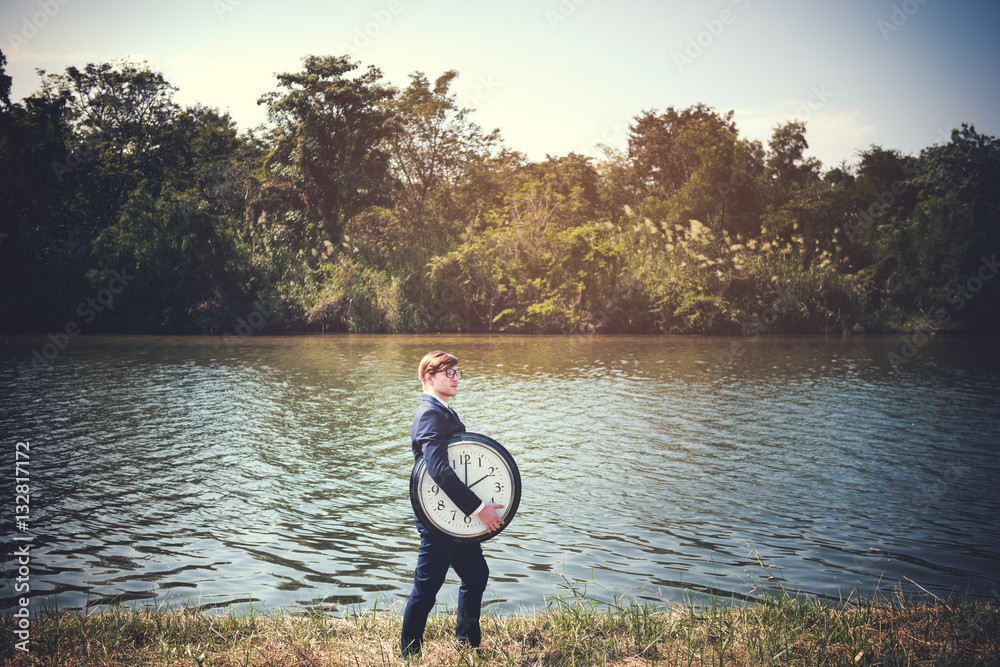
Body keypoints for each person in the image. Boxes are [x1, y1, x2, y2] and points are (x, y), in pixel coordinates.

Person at [401, 351, 505, 657]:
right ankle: (409, 654)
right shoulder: (430, 414)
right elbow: (439, 471)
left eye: (458, 373)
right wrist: (479, 508)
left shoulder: (443, 411)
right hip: (440, 520)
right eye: (449, 373)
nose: (455, 378)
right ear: (429, 378)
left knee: (476, 575)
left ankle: (467, 642)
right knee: (426, 589)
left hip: (454, 517)